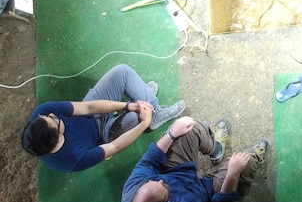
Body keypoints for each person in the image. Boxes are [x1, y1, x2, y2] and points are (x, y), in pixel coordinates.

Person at [20, 64, 186, 173]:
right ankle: (149, 111)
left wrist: (126, 105)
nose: (52, 115)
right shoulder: (72, 161)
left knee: (122, 72)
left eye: (47, 117)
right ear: (59, 137)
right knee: (134, 119)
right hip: (104, 136)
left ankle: (149, 105)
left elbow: (87, 107)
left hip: (88, 114)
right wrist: (144, 123)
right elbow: (114, 146)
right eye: (54, 121)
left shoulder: (42, 114)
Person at [121, 116, 268, 202]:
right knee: (246, 163)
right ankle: (253, 158)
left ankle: (216, 151)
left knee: (190, 127)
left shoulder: (132, 189)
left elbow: (149, 161)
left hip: (179, 173)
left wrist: (171, 134)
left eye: (151, 181)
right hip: (207, 195)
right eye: (163, 188)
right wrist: (233, 174)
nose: (160, 180)